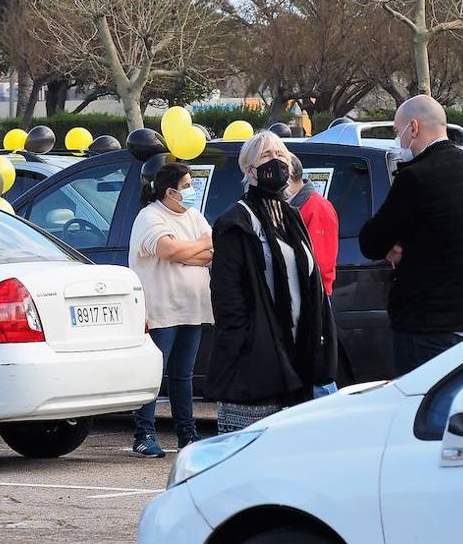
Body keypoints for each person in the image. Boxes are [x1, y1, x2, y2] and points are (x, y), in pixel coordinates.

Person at [207, 131, 336, 433]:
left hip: (298, 355)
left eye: (280, 155)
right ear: (249, 170)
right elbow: (227, 296)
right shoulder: (235, 221)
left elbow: (311, 280)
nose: (276, 161)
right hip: (257, 362)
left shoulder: (291, 216)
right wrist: (248, 343)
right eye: (266, 156)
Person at [359, 94, 463, 375]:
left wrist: (396, 245)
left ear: (413, 127)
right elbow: (446, 231)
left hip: (424, 325)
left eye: (397, 131)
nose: (398, 140)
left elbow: (371, 241)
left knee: (421, 409)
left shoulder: (416, 176)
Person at [128, 162, 213, 458]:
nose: (191, 191)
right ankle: (144, 434)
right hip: (161, 309)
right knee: (154, 373)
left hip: (192, 307)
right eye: (187, 186)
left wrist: (185, 253)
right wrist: (195, 248)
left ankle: (187, 434)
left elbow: (211, 251)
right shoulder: (149, 217)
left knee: (183, 374)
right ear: (169, 192)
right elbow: (166, 250)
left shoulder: (195, 217)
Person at [286, 154, 338, 296]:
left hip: (311, 297)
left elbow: (321, 266)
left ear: (288, 177)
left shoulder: (317, 208)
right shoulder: (293, 205)